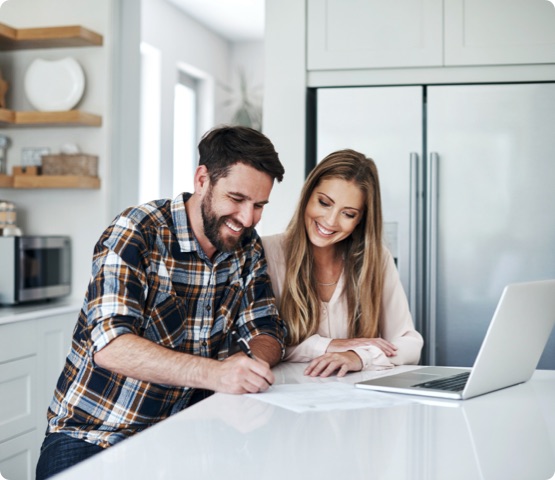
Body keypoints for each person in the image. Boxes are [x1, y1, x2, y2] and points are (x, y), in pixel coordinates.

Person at [36, 126, 286, 479]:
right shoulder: (136, 231)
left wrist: (250, 365)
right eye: (237, 198)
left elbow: (266, 328)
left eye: (259, 205)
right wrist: (216, 373)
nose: (248, 218)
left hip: (186, 434)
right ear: (202, 179)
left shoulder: (246, 244)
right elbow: (111, 346)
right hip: (97, 435)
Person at [262, 149, 423, 377]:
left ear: (360, 220)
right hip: (284, 398)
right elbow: (259, 345)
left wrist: (358, 356)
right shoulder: (266, 252)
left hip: (354, 401)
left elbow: (410, 343)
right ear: (307, 195)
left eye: (348, 214)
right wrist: (328, 345)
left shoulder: (377, 259)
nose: (330, 221)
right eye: (324, 202)